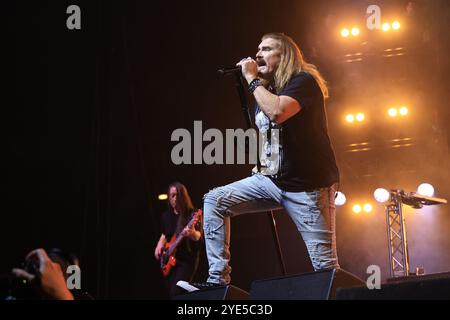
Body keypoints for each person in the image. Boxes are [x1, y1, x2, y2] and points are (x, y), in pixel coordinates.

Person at [199, 33, 340, 287]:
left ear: (283, 55)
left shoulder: (302, 81)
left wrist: (251, 79)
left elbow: (277, 112)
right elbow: (272, 134)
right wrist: (264, 161)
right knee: (215, 200)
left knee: (325, 268)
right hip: (272, 181)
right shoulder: (269, 89)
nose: (257, 54)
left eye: (266, 49)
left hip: (307, 188)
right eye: (257, 49)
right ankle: (217, 280)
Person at [154, 182, 203, 297]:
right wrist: (159, 246)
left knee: (176, 292)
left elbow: (198, 237)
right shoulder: (166, 216)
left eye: (177, 195)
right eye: (172, 195)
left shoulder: (192, 214)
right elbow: (164, 234)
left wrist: (191, 233)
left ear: (183, 197)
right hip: (170, 261)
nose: (174, 198)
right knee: (173, 294)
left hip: (186, 260)